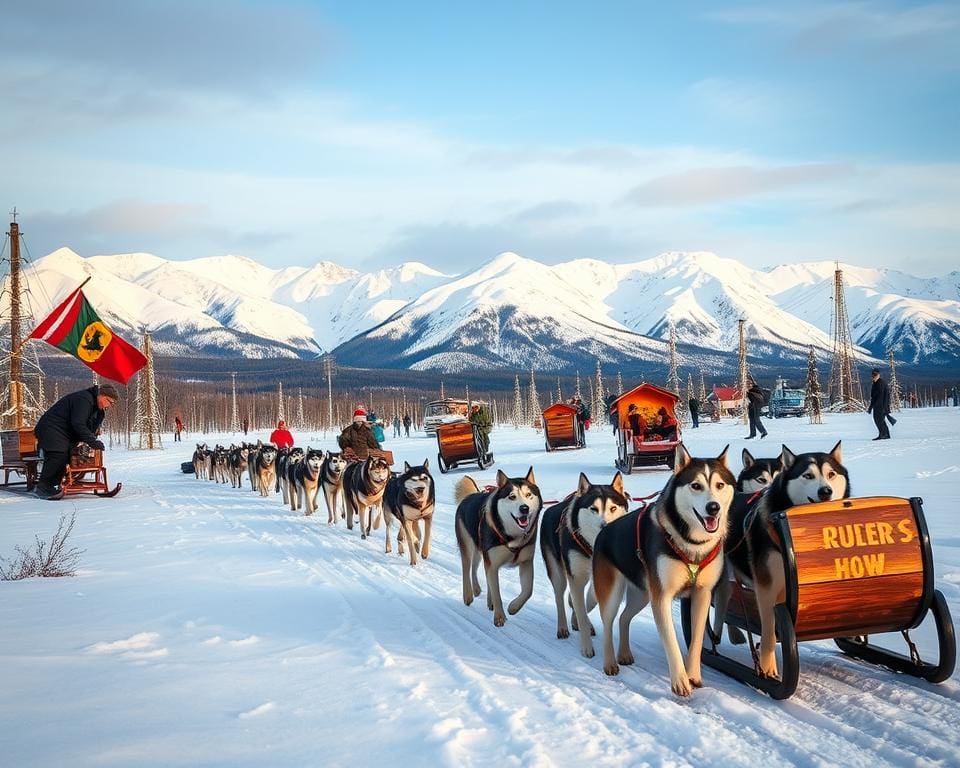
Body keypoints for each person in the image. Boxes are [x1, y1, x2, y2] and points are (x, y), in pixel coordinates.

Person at [33, 383, 119, 500]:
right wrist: (92, 441)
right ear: (102, 396)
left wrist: (97, 422)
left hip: (63, 432)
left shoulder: (95, 408)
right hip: (51, 428)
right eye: (110, 402)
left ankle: (54, 485)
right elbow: (78, 424)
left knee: (67, 456)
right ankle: (44, 487)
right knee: (58, 453)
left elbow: (89, 428)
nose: (110, 406)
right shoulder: (84, 399)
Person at [868, 368, 892, 440]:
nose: (873, 377)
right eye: (873, 375)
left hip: (881, 406)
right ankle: (885, 434)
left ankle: (883, 434)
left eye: (875, 375)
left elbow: (881, 396)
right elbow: (874, 397)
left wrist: (883, 407)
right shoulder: (876, 383)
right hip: (878, 406)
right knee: (879, 420)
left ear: (878, 375)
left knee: (879, 420)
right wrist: (871, 407)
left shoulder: (880, 383)